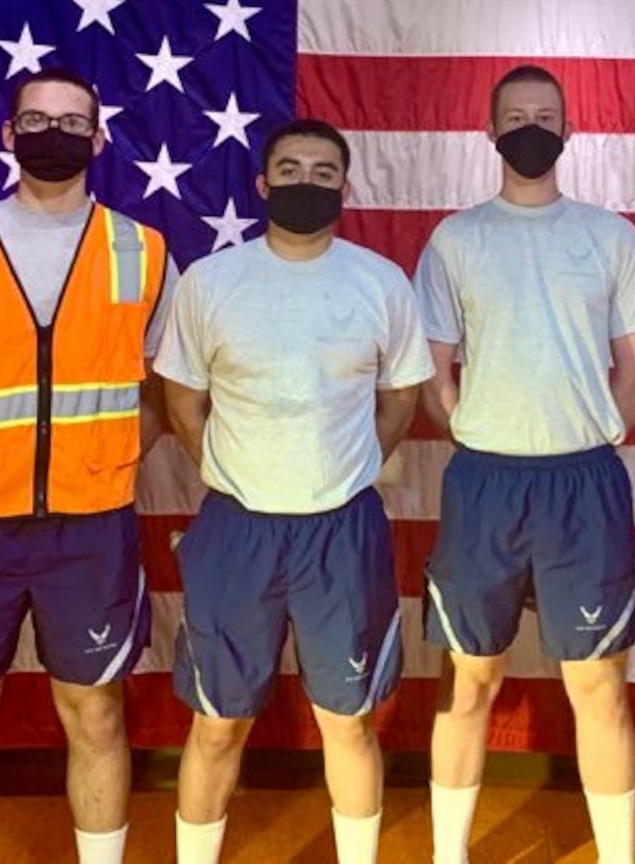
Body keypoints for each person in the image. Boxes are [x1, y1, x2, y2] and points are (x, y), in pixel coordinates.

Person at [0, 67, 171, 864]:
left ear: (98, 138)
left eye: (72, 120)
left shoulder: (144, 250)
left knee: (95, 714)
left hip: (91, 527)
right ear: (8, 134)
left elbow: (166, 388)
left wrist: (105, 455)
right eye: (35, 119)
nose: (53, 132)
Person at [156, 118, 433, 864]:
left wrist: (349, 465)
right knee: (217, 722)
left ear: (343, 187)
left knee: (348, 721)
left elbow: (401, 398)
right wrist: (230, 468)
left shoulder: (378, 281)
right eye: (289, 168)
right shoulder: (212, 282)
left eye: (321, 171)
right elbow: (181, 398)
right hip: (236, 528)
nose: (303, 182)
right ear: (261, 184)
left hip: (340, 530)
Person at [417, 65, 635, 864]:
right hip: (485, 480)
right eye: (515, 115)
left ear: (568, 132)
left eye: (546, 115)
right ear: (489, 134)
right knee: (468, 682)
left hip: (582, 483)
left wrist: (588, 432)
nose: (531, 126)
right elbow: (433, 365)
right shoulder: (457, 239)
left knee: (597, 686)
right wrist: (481, 428)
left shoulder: (608, 235)